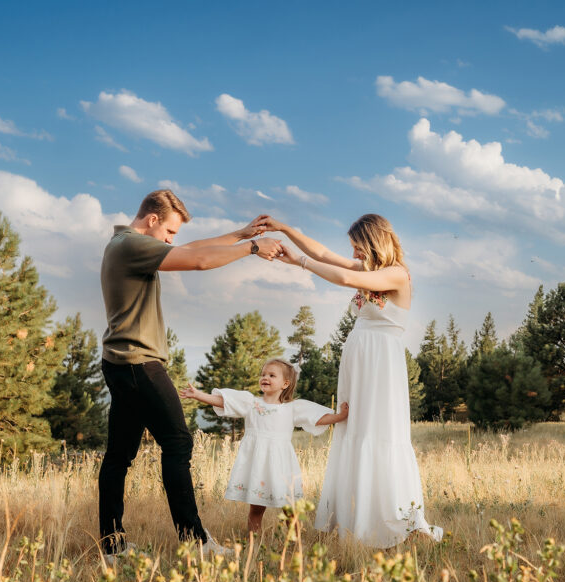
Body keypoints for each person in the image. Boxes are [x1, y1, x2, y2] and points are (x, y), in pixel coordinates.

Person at [98, 189, 282, 561]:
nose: (170, 240)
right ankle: (195, 543)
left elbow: (194, 247)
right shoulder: (131, 246)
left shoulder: (123, 243)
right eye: (169, 231)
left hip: (120, 363)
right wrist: (252, 250)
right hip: (139, 364)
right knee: (178, 444)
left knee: (118, 457)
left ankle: (112, 546)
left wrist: (242, 234)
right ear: (152, 219)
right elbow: (195, 260)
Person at [264, 214, 443, 548]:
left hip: (381, 362)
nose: (356, 254)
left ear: (374, 241)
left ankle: (392, 516)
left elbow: (343, 277)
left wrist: (300, 262)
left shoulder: (397, 274)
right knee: (355, 428)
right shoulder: (368, 272)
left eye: (358, 247)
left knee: (380, 430)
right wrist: (286, 230)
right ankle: (354, 517)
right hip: (359, 357)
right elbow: (325, 256)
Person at [180, 358, 348, 534]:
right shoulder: (251, 404)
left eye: (271, 375)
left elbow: (317, 418)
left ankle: (295, 542)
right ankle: (254, 542)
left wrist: (339, 417)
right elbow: (224, 401)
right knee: (256, 509)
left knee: (290, 508)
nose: (265, 378)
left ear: (285, 383)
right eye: (263, 374)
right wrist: (198, 395)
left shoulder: (292, 408)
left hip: (281, 465)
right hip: (258, 465)